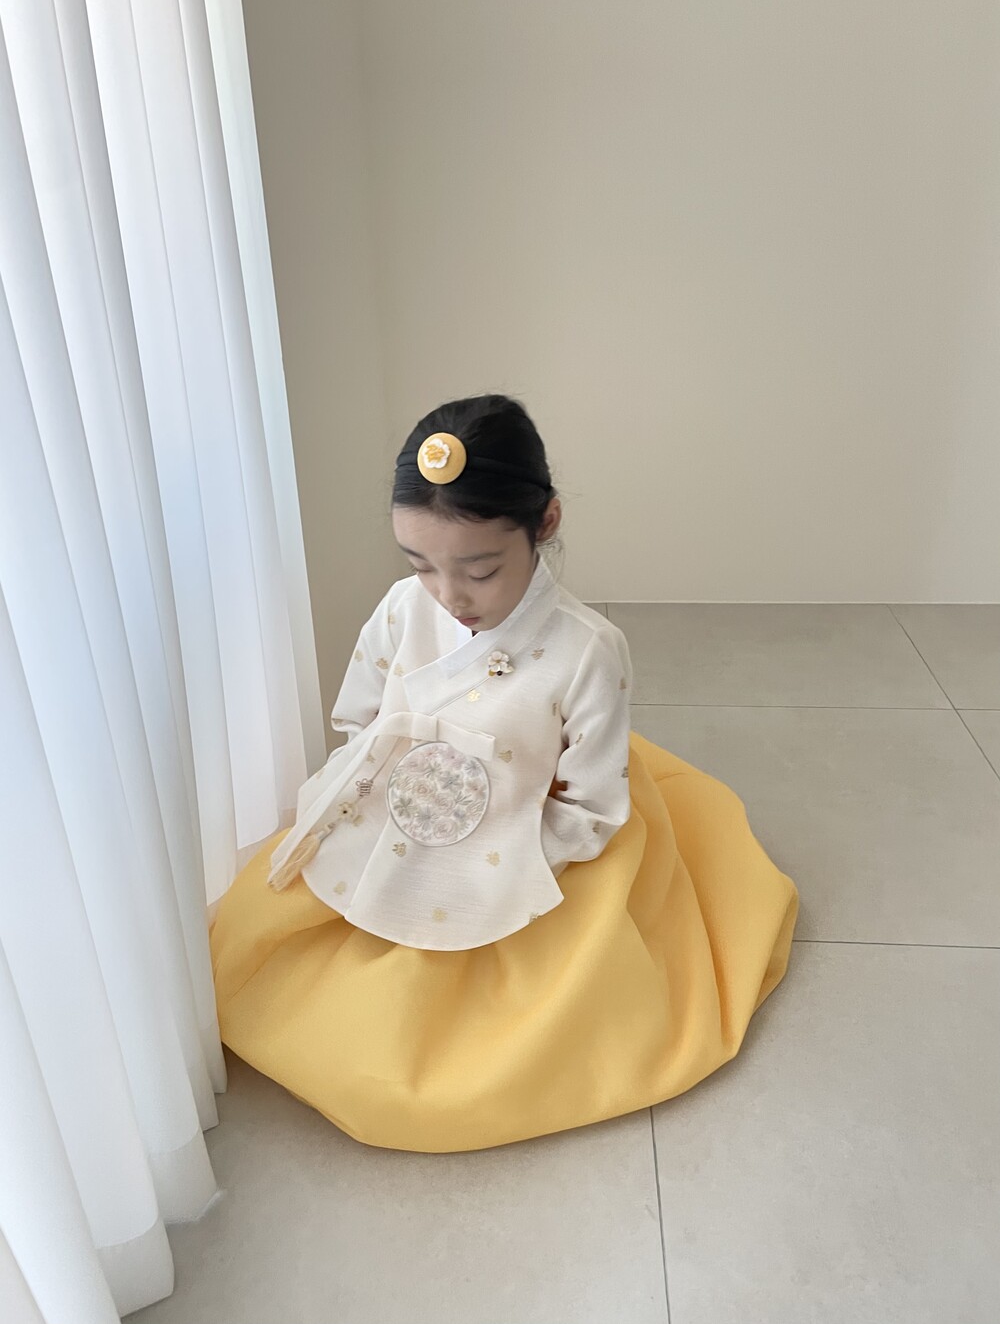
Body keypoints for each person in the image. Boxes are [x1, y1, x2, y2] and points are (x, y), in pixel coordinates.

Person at [210, 394, 798, 1152]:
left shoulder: (588, 649)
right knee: (277, 949)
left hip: (530, 826)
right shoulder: (402, 609)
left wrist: (487, 861)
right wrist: (387, 798)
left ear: (544, 523)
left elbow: (589, 808)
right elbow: (360, 717)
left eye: (481, 569)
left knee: (481, 1024)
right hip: (408, 805)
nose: (450, 595)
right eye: (420, 565)